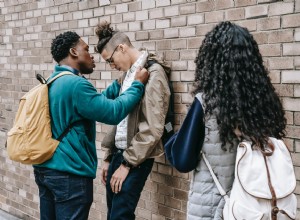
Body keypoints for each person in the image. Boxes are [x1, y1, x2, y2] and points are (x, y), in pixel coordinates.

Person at [166, 21, 286, 219]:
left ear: (210, 60)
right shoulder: (265, 102)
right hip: (255, 208)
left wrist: (170, 136)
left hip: (212, 208)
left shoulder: (205, 103)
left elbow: (183, 161)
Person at [33, 31, 149, 220]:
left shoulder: (55, 81)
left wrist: (121, 84)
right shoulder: (76, 85)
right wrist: (136, 85)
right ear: (74, 52)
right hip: (69, 175)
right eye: (86, 49)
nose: (91, 55)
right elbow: (112, 113)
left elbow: (95, 103)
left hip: (46, 170)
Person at [95, 21, 171, 220]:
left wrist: (126, 164)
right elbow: (120, 119)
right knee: (113, 214)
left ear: (121, 48)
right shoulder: (128, 76)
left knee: (120, 216)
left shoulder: (153, 74)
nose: (112, 66)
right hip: (119, 156)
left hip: (135, 159)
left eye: (111, 60)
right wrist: (109, 157)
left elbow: (153, 129)